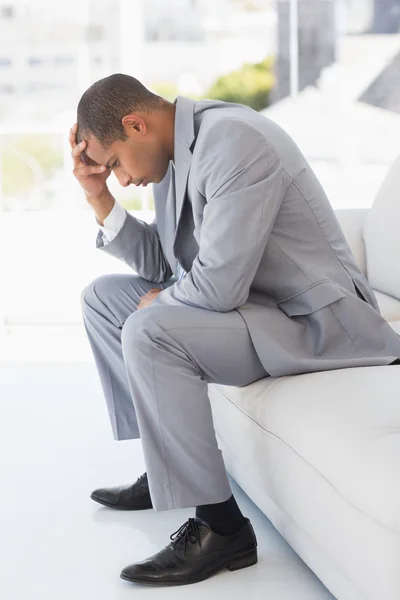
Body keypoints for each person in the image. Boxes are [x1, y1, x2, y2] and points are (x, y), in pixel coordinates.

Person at [73, 73, 400, 586]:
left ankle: (222, 529)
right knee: (103, 299)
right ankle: (165, 467)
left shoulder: (234, 142)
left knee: (148, 330)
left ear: (136, 124)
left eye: (113, 164)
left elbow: (219, 286)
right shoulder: (173, 153)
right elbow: (163, 262)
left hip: (314, 323)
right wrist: (98, 198)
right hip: (256, 309)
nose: (120, 178)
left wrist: (161, 303)